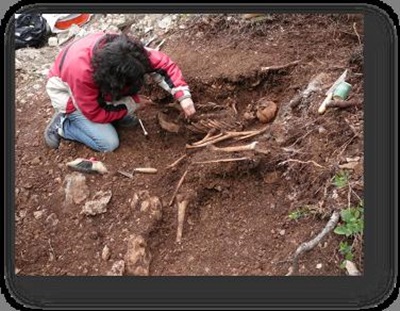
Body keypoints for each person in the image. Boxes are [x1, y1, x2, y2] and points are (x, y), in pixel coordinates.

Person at [43, 31, 196, 152]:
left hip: (95, 87)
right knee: (108, 143)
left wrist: (183, 96)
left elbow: (164, 65)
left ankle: (113, 113)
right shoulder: (81, 73)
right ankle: (63, 125)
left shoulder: (127, 51)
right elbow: (94, 112)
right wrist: (132, 103)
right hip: (68, 95)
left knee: (124, 115)